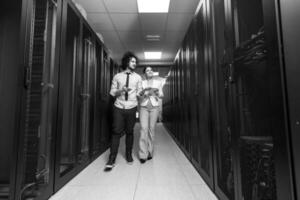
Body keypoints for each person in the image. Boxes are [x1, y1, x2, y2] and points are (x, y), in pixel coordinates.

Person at [104, 52, 142, 171]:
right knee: (116, 132)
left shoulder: (138, 77)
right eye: (132, 61)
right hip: (119, 107)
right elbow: (112, 93)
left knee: (130, 132)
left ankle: (129, 155)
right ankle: (112, 158)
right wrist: (121, 91)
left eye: (135, 62)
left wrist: (142, 94)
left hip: (132, 107)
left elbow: (139, 92)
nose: (134, 63)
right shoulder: (117, 76)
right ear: (126, 62)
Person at [138, 66, 164, 163]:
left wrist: (157, 93)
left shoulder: (158, 83)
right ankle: (142, 154)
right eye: (147, 70)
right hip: (144, 107)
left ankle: (150, 152)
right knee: (143, 129)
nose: (150, 71)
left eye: (151, 70)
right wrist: (144, 93)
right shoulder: (142, 83)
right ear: (145, 73)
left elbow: (161, 95)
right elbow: (138, 95)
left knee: (151, 129)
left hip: (154, 107)